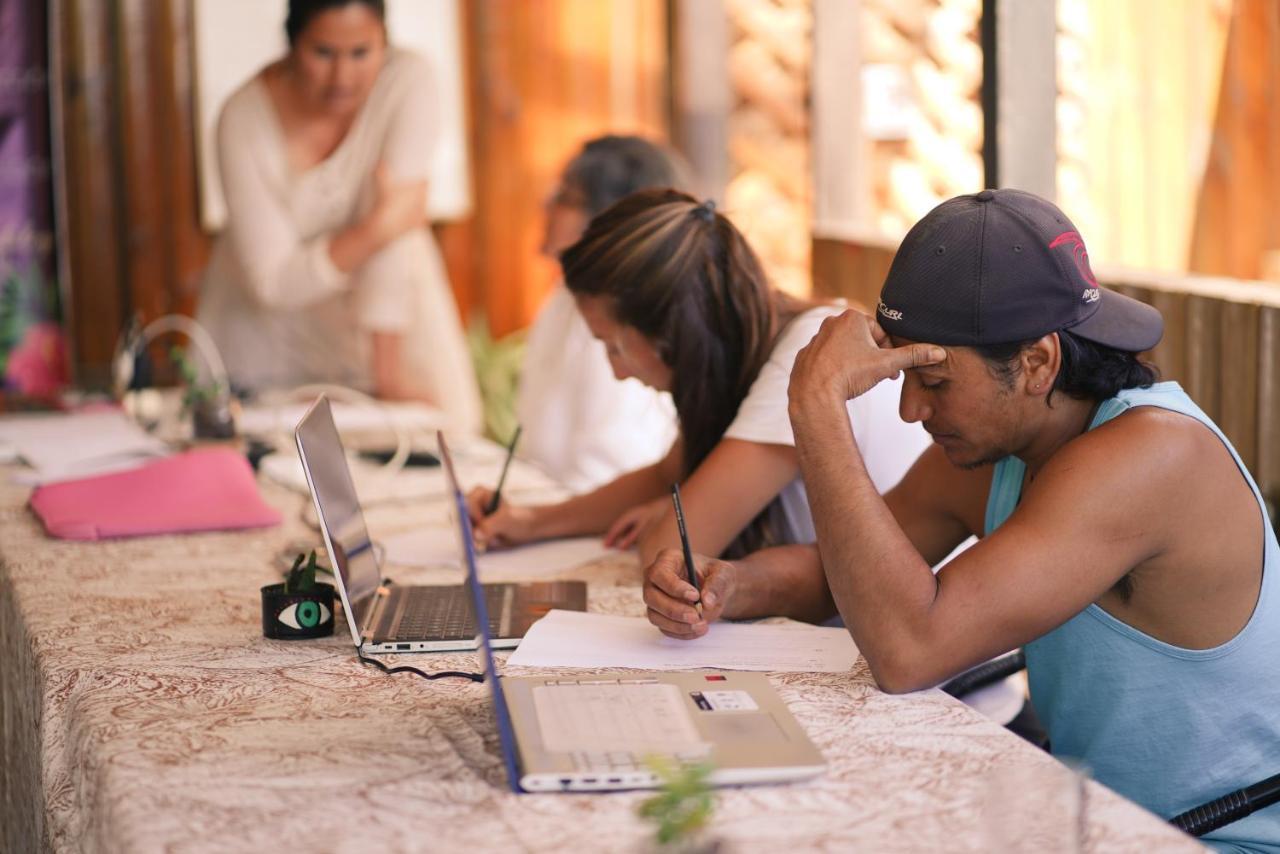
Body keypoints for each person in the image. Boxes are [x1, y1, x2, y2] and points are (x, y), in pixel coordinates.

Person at [645, 188, 1280, 852]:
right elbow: (844, 573)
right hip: (1092, 819)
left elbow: (908, 652)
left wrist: (817, 408)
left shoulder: (1151, 458)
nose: (910, 411)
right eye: (904, 379)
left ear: (1037, 362)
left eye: (936, 382)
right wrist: (729, 586)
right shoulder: (1004, 445)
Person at [467, 188, 930, 575]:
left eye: (614, 346)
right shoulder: (761, 338)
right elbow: (666, 475)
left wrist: (673, 512)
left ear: (675, 336)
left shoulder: (805, 356)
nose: (617, 371)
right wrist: (530, 522)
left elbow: (671, 551)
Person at [197, 0, 482, 432]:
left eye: (361, 53)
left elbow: (397, 244)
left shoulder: (409, 82)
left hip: (390, 326)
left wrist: (386, 378)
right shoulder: (240, 118)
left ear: (385, 42)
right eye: (323, 53)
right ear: (291, 44)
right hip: (268, 336)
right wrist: (379, 227)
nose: (343, 77)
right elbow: (273, 283)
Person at [515, 136, 681, 493]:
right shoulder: (563, 299)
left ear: (607, 219)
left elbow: (605, 466)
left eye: (566, 199)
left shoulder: (617, 319)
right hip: (550, 501)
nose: (548, 206)